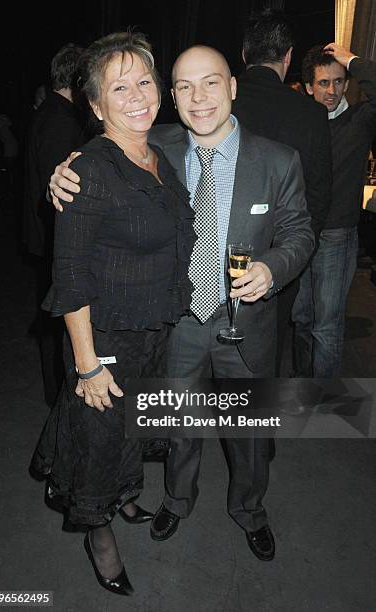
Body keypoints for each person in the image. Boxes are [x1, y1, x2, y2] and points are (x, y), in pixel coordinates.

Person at [50, 44, 315, 562]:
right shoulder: (156, 147)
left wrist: (273, 267)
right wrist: (60, 175)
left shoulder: (279, 161)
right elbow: (100, 169)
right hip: (179, 323)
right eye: (185, 87)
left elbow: (300, 233)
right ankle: (177, 498)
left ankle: (250, 510)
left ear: (233, 86)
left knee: (249, 434)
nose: (199, 98)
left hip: (248, 326)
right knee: (180, 427)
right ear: (172, 96)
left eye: (211, 82)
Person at [30, 31, 195, 596]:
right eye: (118, 88)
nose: (136, 96)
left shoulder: (158, 154)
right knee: (98, 443)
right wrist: (87, 364)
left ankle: (124, 497)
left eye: (145, 81)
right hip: (105, 340)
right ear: (96, 107)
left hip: (151, 332)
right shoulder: (91, 171)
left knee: (128, 433)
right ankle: (98, 536)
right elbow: (69, 277)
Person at [232, 9, 332, 375]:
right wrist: (301, 250)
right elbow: (320, 194)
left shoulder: (217, 103)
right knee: (268, 349)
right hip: (283, 253)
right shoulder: (311, 114)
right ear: (288, 56)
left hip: (222, 248)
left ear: (244, 55)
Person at [292, 43, 376, 377]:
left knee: (326, 327)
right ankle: (300, 388)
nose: (332, 90)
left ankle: (324, 402)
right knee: (300, 320)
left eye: (339, 81)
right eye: (324, 83)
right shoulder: (299, 124)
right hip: (299, 235)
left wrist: (352, 60)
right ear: (309, 87)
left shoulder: (359, 120)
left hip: (337, 236)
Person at [23, 43, 86, 407]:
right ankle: (60, 398)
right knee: (57, 325)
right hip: (53, 240)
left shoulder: (50, 111)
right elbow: (58, 194)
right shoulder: (61, 120)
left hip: (43, 237)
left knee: (53, 322)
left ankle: (58, 395)